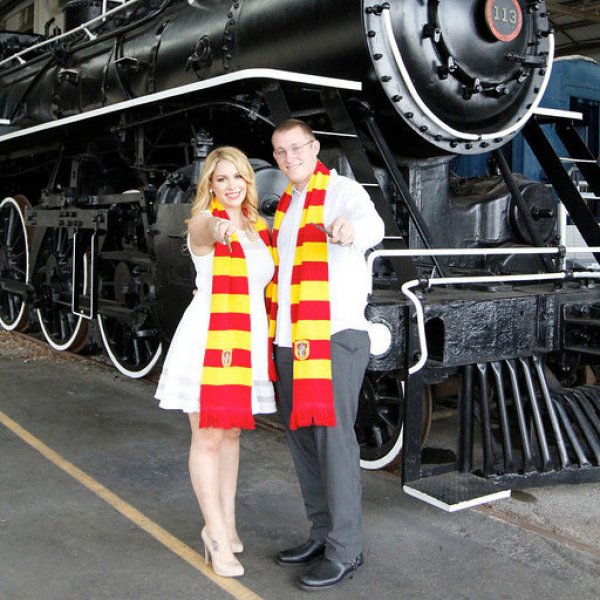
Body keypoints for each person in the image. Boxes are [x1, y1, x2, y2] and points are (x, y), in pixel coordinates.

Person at [269, 119, 385, 591]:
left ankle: (345, 549)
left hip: (334, 336)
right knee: (302, 439)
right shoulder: (286, 204)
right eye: (280, 151)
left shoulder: (342, 192)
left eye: (297, 147)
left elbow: (373, 227)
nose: (290, 157)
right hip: (289, 338)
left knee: (334, 442)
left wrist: (349, 230)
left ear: (314, 148)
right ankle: (321, 532)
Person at [155, 146, 276, 578]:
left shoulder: (260, 229)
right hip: (210, 342)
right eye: (221, 179)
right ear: (210, 185)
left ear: (248, 181)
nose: (231, 185)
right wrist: (220, 227)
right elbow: (204, 228)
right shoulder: (203, 222)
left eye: (238, 177)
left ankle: (228, 522)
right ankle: (215, 534)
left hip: (247, 340)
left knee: (232, 435)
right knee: (207, 436)